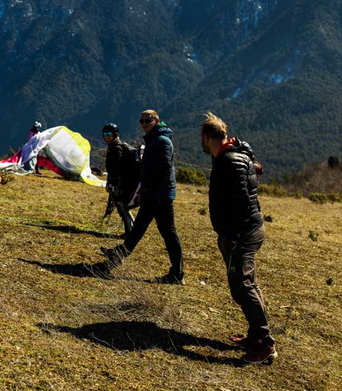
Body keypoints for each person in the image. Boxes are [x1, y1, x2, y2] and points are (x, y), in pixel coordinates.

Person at [201, 112, 276, 364]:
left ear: (208, 137)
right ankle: (255, 335)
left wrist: (232, 234)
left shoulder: (229, 160)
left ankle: (265, 343)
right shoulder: (231, 155)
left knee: (242, 285)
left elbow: (240, 200)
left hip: (242, 232)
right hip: (247, 229)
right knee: (247, 283)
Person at [100, 110, 184, 284]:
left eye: (148, 120)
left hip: (160, 195)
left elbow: (164, 169)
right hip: (151, 194)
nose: (145, 123)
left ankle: (177, 274)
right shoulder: (154, 139)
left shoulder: (162, 141)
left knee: (169, 233)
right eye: (142, 121)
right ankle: (114, 259)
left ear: (157, 120)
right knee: (137, 230)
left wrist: (148, 187)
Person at [101, 122, 137, 237]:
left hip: (122, 184)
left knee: (123, 207)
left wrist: (113, 183)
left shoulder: (117, 149)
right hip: (123, 183)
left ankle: (131, 232)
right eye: (105, 134)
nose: (106, 136)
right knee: (123, 207)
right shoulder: (116, 146)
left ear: (115, 134)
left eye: (109, 134)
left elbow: (117, 170)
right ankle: (132, 231)